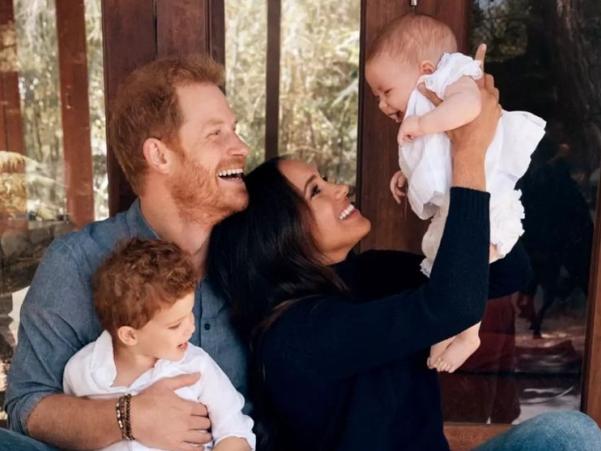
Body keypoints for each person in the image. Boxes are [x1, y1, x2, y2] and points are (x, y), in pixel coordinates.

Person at [207, 66, 601, 449]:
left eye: (325, 179)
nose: (340, 189)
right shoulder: (296, 335)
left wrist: (458, 161)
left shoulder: (371, 273)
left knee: (569, 433)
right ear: (278, 236)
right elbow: (452, 307)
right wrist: (468, 155)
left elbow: (507, 274)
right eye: (316, 191)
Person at [3, 55, 250, 451]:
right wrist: (128, 417)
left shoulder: (251, 254)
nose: (240, 146)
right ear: (159, 155)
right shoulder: (76, 262)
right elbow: (25, 406)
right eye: (216, 133)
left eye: (234, 130)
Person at [364, 13, 546, 372]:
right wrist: (406, 174)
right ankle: (449, 329)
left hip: (488, 196)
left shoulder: (453, 77)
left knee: (469, 262)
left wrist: (423, 123)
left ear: (426, 69)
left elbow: (470, 107)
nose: (383, 105)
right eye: (376, 98)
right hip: (461, 198)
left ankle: (468, 333)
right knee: (444, 262)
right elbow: (438, 156)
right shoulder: (427, 103)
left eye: (386, 92)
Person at [63, 238, 255, 451]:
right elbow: (70, 436)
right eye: (175, 325)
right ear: (129, 335)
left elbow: (234, 430)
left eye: (190, 313)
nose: (190, 328)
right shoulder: (81, 371)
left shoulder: (196, 367)